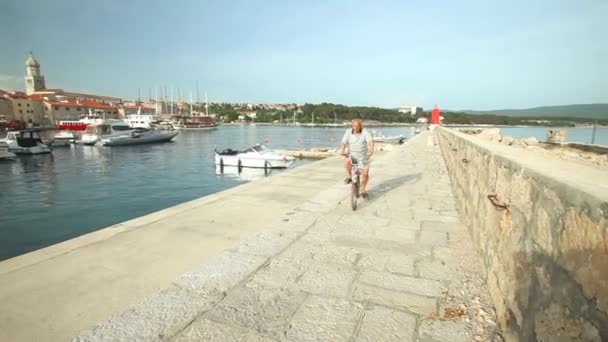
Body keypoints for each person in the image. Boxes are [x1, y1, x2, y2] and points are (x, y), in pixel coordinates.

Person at [340, 119, 374, 198]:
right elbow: (343, 143)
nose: (356, 128)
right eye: (354, 126)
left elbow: (370, 142)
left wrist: (371, 150)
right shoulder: (348, 132)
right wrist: (342, 150)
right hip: (353, 155)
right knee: (347, 161)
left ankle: (363, 190)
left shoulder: (365, 132)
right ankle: (350, 177)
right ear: (352, 126)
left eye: (358, 126)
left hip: (363, 156)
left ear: (361, 126)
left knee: (365, 174)